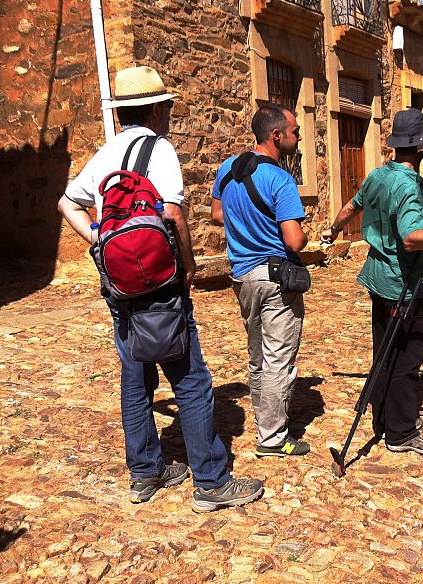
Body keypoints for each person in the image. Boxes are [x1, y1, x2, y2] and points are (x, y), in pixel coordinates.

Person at [58, 66, 263, 512]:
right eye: (166, 105)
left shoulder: (107, 151)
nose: (169, 112)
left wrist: (101, 241)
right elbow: (172, 215)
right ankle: (211, 480)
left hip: (117, 283)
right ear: (153, 109)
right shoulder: (160, 149)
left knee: (135, 375)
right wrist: (187, 266)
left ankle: (146, 473)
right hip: (160, 281)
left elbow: (67, 202)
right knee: (190, 378)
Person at [321, 108, 423, 455]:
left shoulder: (378, 175)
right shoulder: (406, 186)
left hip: (379, 277)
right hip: (402, 281)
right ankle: (402, 431)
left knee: (384, 351)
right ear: (421, 147)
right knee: (406, 357)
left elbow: (351, 206)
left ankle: (384, 418)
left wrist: (332, 230)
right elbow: (410, 237)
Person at [211, 103, 309, 458]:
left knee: (257, 357)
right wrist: (306, 235)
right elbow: (294, 240)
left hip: (241, 275)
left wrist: (246, 227)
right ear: (276, 135)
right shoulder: (280, 179)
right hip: (275, 278)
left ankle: (263, 420)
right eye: (295, 132)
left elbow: (218, 213)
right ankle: (272, 437)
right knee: (279, 358)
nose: (298, 138)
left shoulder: (228, 169)